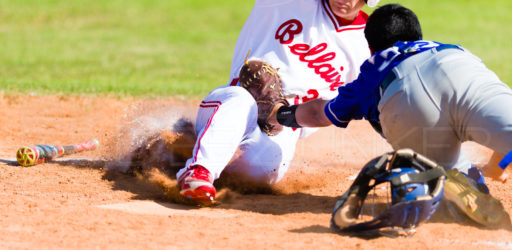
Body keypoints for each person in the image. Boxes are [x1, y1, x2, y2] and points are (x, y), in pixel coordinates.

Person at [268, 3, 511, 226]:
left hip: (405, 94)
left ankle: (449, 179)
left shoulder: (374, 69)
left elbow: (319, 113)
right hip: (465, 71)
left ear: (371, 47)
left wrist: (278, 114)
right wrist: (495, 168)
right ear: (417, 36)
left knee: (452, 183)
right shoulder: (452, 48)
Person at [176, 0, 380, 202]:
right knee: (241, 100)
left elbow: (334, 110)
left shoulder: (369, 44)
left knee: (265, 171)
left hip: (285, 126)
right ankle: (198, 171)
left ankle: (187, 156)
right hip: (235, 103)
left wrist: (281, 114)